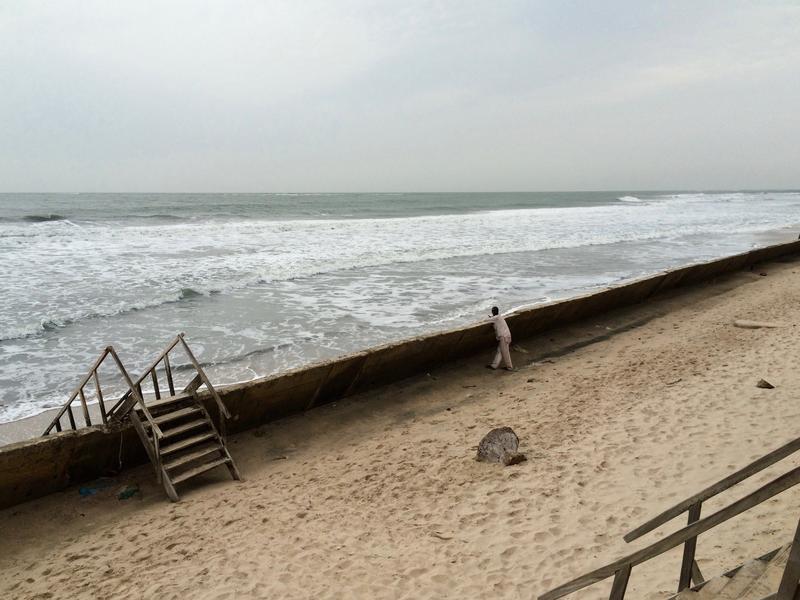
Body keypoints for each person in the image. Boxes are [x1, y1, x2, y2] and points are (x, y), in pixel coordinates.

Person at [487, 306, 513, 371]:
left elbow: (487, 320)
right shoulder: (499, 317)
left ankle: (509, 367)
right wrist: (492, 317)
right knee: (500, 351)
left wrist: (490, 317)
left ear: (493, 312)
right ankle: (494, 366)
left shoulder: (496, 318)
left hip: (504, 337)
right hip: (506, 335)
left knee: (505, 352)